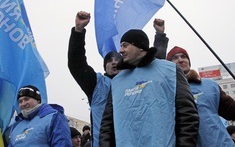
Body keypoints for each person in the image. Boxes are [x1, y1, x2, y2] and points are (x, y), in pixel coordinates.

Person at [68, 11, 169, 147]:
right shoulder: (96, 84)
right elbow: (76, 64)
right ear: (105, 66)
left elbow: (155, 66)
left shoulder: (137, 77)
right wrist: (78, 31)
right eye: (109, 60)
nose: (114, 62)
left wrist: (160, 36)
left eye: (117, 59)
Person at [100, 29, 199, 146]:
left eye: (125, 45)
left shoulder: (170, 70)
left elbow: (187, 114)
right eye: (121, 46)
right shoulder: (117, 81)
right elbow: (107, 124)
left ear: (140, 47)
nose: (121, 50)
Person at [166, 46, 235, 147]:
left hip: (221, 143)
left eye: (183, 56)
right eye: (175, 58)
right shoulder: (165, 90)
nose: (180, 60)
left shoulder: (209, 85)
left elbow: (230, 109)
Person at [6, 85, 72, 147]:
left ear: (38, 100)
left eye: (26, 99)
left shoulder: (54, 117)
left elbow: (62, 143)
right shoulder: (16, 125)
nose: (23, 104)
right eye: (20, 101)